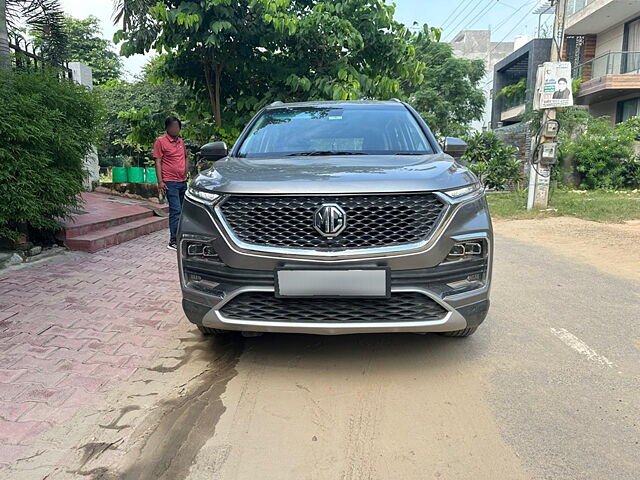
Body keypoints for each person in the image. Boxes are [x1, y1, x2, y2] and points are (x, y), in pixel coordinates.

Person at [153, 117, 189, 251]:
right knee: (176, 210)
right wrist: (160, 181)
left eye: (177, 127)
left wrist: (186, 171)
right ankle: (173, 240)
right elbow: (158, 161)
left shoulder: (181, 142)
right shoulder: (160, 141)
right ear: (167, 128)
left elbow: (186, 157)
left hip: (182, 181)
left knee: (184, 211)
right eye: (173, 127)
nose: (175, 129)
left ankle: (181, 237)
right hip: (170, 182)